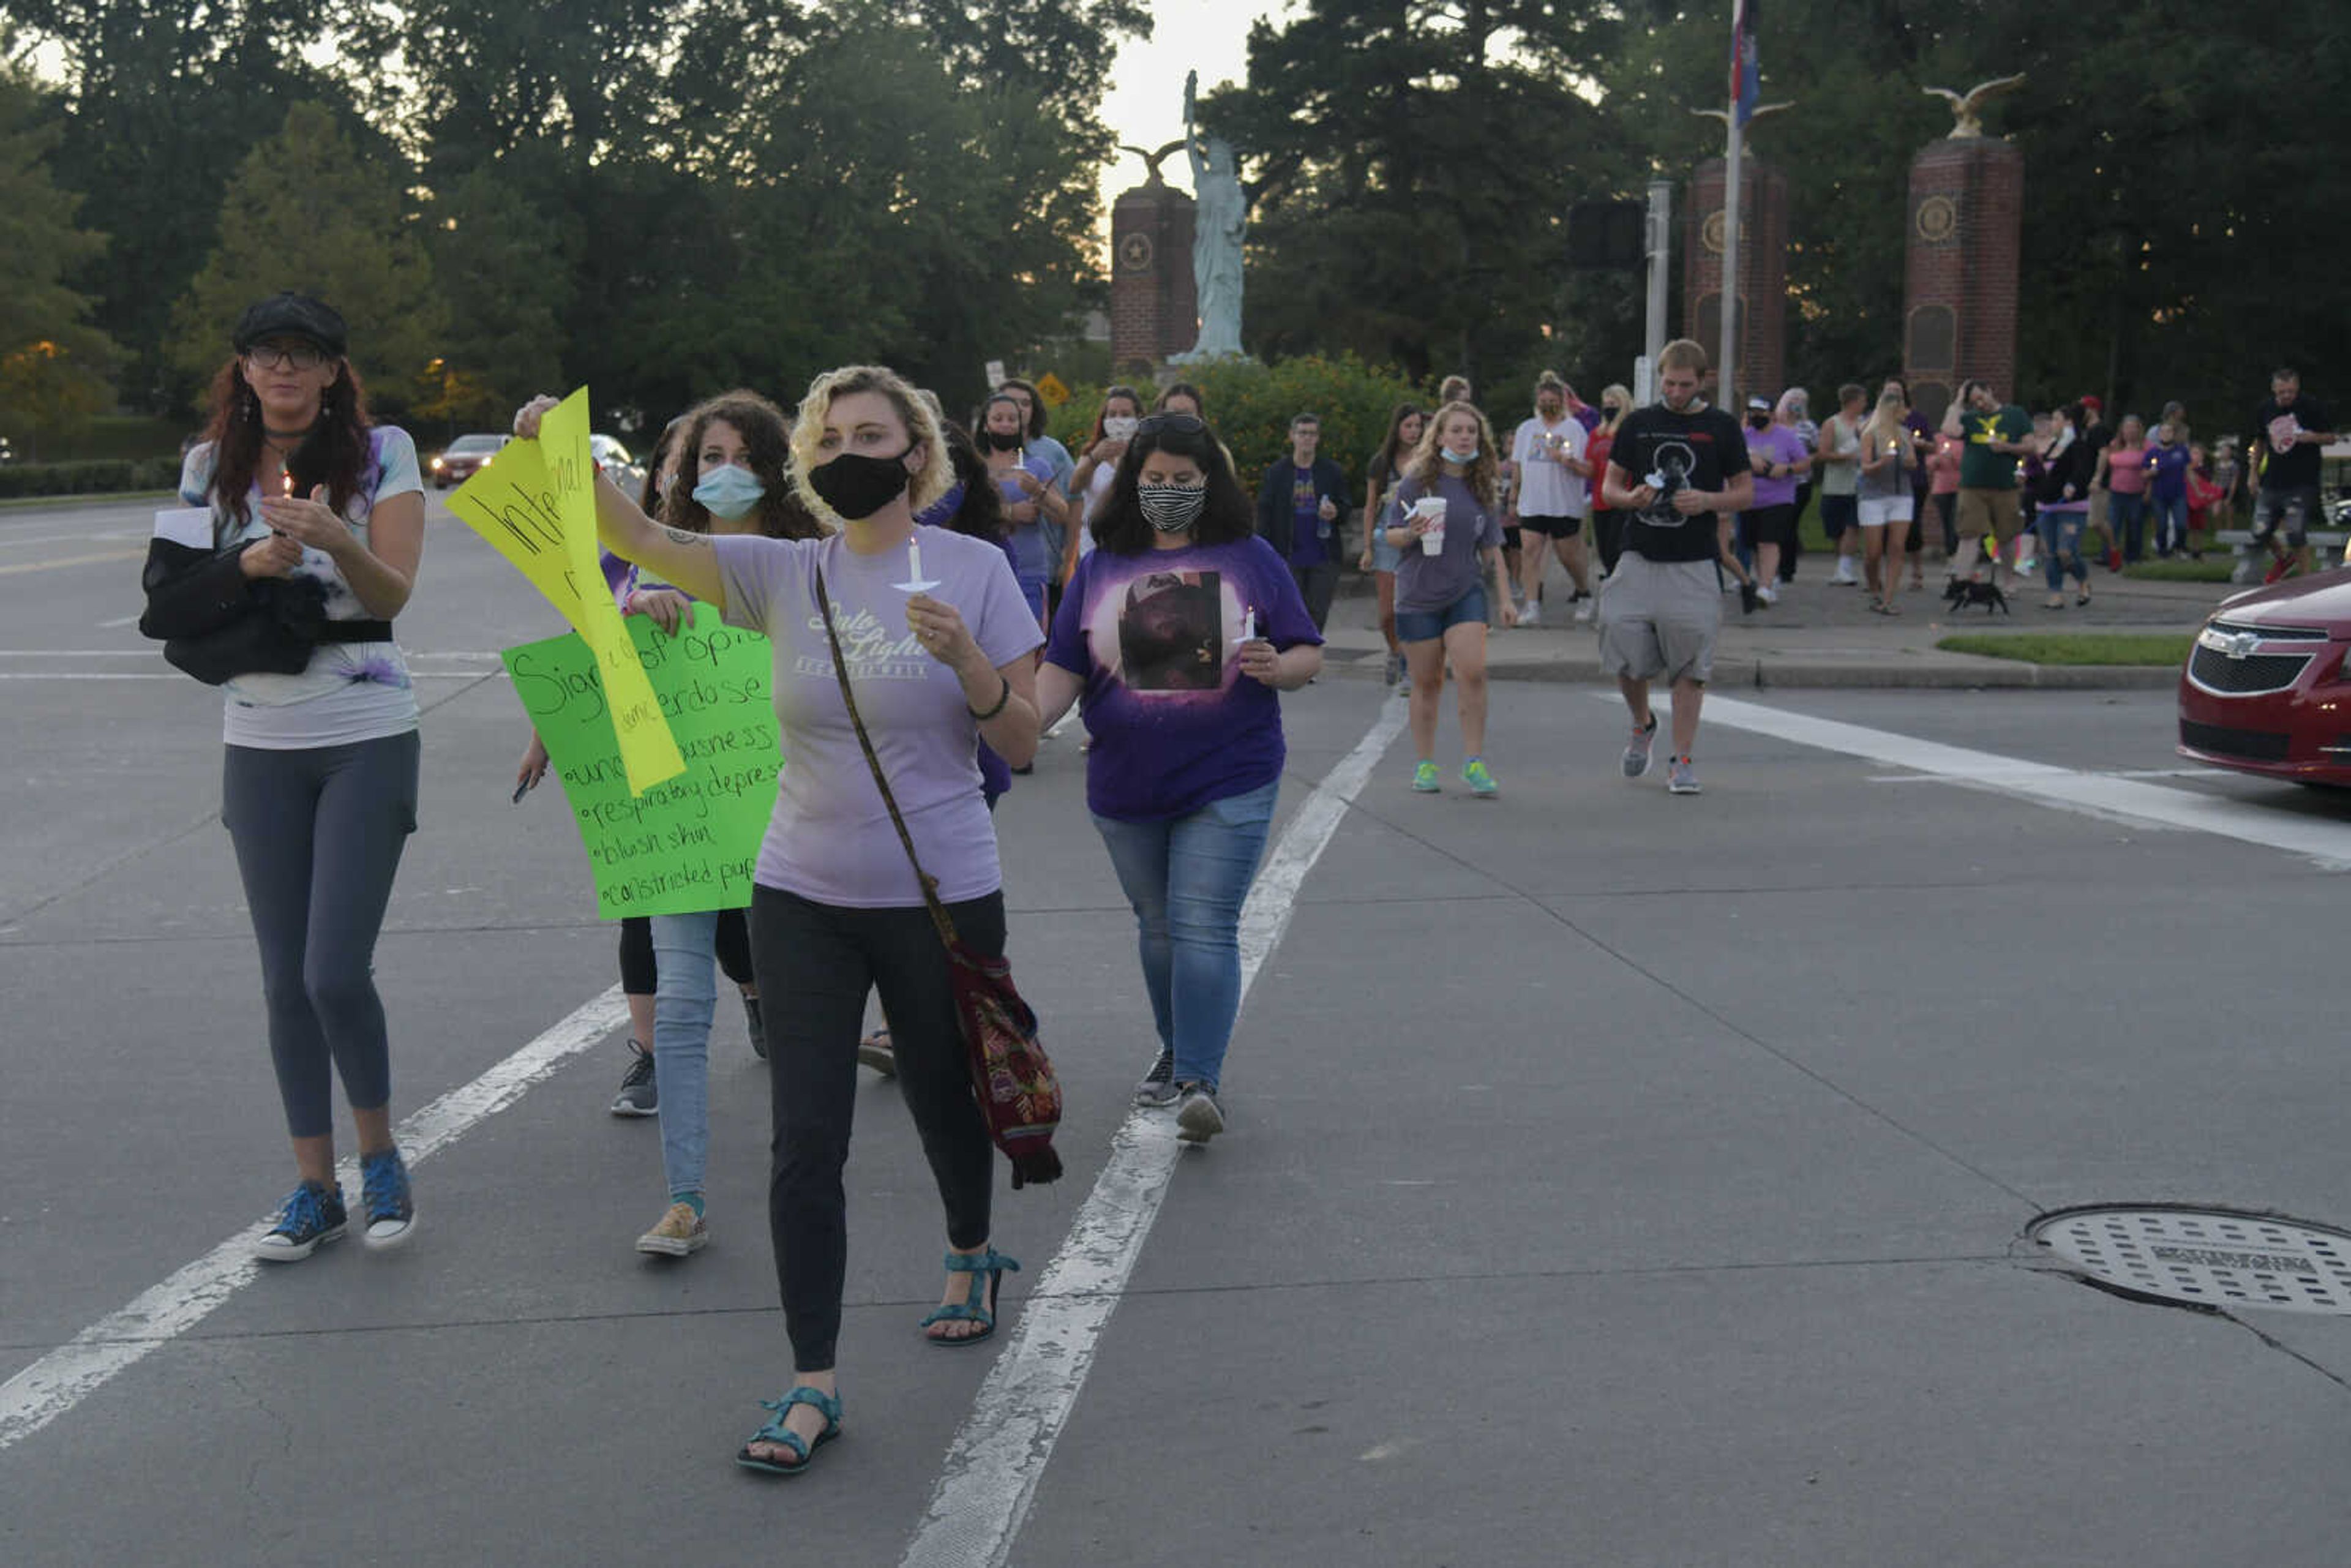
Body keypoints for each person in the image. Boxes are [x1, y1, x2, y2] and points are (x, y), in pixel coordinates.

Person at [522, 363, 1043, 1476]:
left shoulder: (978, 570)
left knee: (949, 1094)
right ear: (806, 462)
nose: (848, 450)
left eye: (873, 432)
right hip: (799, 893)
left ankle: (970, 1246)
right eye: (829, 435)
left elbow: (1023, 743)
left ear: (917, 453)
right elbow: (639, 535)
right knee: (807, 1140)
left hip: (941, 894)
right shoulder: (780, 572)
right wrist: (561, 448)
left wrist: (966, 665)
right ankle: (814, 1382)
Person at [155, 292, 425, 1259]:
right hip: (257, 741)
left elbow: (395, 589)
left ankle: (382, 1159)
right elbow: (175, 604)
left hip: (366, 731)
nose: (283, 370)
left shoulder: (382, 452)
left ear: (332, 373)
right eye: (267, 354)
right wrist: (251, 563)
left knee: (332, 971)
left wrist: (333, 536)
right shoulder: (206, 469)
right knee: (283, 983)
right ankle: (314, 1186)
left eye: (304, 355)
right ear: (243, 369)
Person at [1037, 413, 1321, 1141]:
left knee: (1202, 922)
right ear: (1133, 481)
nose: (1167, 491)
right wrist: (1018, 720)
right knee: (1158, 926)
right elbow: (1063, 667)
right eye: (1154, 479)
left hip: (1232, 771)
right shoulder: (1101, 564)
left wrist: (1277, 667)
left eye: (1183, 481)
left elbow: (1305, 653)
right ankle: (1175, 1050)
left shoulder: (1250, 556)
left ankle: (1200, 1076)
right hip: (1127, 782)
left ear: (1209, 482)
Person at [618, 391, 822, 1258]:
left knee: (807, 1000)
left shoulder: (808, 564)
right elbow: (608, 691)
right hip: (683, 821)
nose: (723, 470)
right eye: (708, 456)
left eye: (741, 454)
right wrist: (632, 621)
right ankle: (685, 1199)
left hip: (796, 817)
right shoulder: (645, 566)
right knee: (680, 1010)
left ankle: (810, 1180)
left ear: (775, 468)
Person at [1597, 338, 1753, 797]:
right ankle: (1643, 722)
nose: (1677, 392)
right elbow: (1610, 488)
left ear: (1702, 381)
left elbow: (1744, 492)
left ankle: (1681, 760)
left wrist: (1707, 500)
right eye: (1669, 383)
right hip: (1639, 553)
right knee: (1621, 644)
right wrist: (1630, 499)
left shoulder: (1721, 427)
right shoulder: (1640, 424)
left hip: (1694, 560)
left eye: (1685, 385)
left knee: (1690, 665)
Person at [1388, 400, 1518, 795]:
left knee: (1473, 671)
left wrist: (1507, 598)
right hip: (1418, 593)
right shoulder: (1417, 482)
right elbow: (1391, 535)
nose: (1464, 437)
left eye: (1471, 431)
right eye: (1457, 430)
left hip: (1466, 590)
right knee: (1427, 682)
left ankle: (1474, 762)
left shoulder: (1481, 485)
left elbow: (1493, 546)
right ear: (1440, 436)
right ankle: (1426, 764)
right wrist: (1411, 532)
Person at [1507, 370, 1595, 626]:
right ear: (1537, 401)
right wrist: (1513, 498)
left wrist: (1567, 461)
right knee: (1530, 552)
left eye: (1552, 400)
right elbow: (1517, 467)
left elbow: (1588, 469)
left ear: (1562, 401)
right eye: (1543, 400)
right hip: (1533, 503)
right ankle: (1532, 605)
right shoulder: (1526, 429)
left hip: (1563, 503)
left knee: (1569, 556)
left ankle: (1584, 593)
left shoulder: (1574, 429)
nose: (1547, 405)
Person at [978, 391, 1072, 629]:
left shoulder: (1036, 466)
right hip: (984, 571)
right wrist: (1009, 512)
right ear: (986, 425)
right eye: (998, 419)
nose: (1006, 425)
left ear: (1021, 425)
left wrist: (1039, 491)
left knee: (1030, 647)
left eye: (1012, 419)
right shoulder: (976, 466)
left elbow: (1064, 515)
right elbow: (965, 513)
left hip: (1029, 571)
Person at [1254, 411, 1351, 630]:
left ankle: (1308, 661)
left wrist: (1335, 511)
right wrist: (1262, 556)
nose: (1307, 438)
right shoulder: (1277, 473)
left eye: (1312, 434)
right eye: (1303, 433)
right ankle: (1295, 660)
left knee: (1317, 614)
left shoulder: (1331, 472)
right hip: (1287, 555)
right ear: (1292, 436)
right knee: (1291, 613)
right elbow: (1265, 515)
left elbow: (1346, 507)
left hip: (1324, 555)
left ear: (1318, 438)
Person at [1358, 402, 1427, 688]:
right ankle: (1395, 650)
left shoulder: (1427, 461)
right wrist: (1367, 547)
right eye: (1408, 426)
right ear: (1397, 428)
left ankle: (1410, 660)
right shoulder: (1381, 463)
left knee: (1411, 605)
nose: (1413, 432)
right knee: (1387, 612)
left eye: (1417, 427)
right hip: (1385, 539)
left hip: (1415, 539)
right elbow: (1371, 506)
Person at [2248, 369, 2336, 583]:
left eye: (2291, 391)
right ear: (2274, 389)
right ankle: (2284, 558)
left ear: (2297, 388)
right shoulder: (2266, 409)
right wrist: (2253, 473)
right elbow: (2260, 442)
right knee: (2260, 530)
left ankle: (2306, 580)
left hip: (2302, 481)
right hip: (2272, 480)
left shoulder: (2310, 406)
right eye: (2282, 392)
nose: (2287, 396)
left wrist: (2313, 437)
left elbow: (2331, 438)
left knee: (2295, 531)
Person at [1951, 378, 2036, 587]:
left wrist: (2006, 447)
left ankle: (2009, 581)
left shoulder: (2015, 415)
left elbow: (2031, 446)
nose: (1980, 404)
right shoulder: (1970, 418)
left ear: (1990, 391)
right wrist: (1958, 402)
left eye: (1981, 398)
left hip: (2005, 486)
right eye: (1974, 402)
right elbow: (1949, 430)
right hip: (1972, 487)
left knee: (2006, 536)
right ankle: (1961, 583)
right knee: (1969, 534)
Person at [1061, 385, 1146, 580]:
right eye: (1112, 414)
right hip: (1095, 547)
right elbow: (1074, 487)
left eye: (1125, 415)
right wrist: (1094, 458)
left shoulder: (1147, 453)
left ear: (1139, 417)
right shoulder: (1092, 452)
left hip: (1135, 547)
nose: (1118, 420)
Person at [1740, 394, 1809, 604]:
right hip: (1750, 497)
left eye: (1761, 413)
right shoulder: (1744, 435)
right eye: (1752, 412)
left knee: (1768, 541)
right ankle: (1764, 579)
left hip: (1778, 498)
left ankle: (1765, 586)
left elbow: (1804, 463)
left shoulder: (1786, 436)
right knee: (1753, 542)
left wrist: (1786, 468)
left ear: (1771, 414)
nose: (1756, 416)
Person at [1855, 388, 1916, 613]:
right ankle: (1874, 589)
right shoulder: (1870, 434)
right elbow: (1865, 468)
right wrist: (1882, 462)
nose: (1907, 413)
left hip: (1901, 494)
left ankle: (1888, 599)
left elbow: (1912, 463)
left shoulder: (1905, 434)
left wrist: (1910, 459)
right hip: (1873, 496)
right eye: (1903, 408)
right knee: (1873, 551)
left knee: (1897, 547)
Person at [2033, 401, 2096, 609]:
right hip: (2047, 506)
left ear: (2069, 422)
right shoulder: (2053, 446)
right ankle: (2055, 593)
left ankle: (2082, 579)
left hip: (2072, 507)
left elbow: (2083, 470)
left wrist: (2073, 484)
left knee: (2066, 551)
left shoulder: (2079, 445)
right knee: (2050, 553)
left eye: (2057, 419)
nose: (2053, 423)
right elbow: (2046, 473)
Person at [1814, 384, 1866, 586]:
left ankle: (1846, 567)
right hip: (1835, 484)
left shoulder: (1865, 424)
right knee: (1835, 528)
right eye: (1862, 401)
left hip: (1859, 484)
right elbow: (1822, 453)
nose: (1865, 404)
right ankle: (1841, 565)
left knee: (1852, 526)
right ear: (1852, 402)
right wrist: (1844, 456)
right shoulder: (1832, 424)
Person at [1586, 386, 1631, 580]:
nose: (1609, 408)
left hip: (1624, 497)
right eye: (1606, 404)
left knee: (1616, 546)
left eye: (1613, 404)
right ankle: (1612, 576)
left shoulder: (1629, 430)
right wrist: (1568, 462)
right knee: (1604, 548)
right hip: (1600, 497)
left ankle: (1617, 581)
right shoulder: (1597, 434)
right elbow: (1591, 469)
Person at [2096, 415, 2151, 566]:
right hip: (2116, 491)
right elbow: (2105, 462)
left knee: (2135, 524)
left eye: (2133, 427)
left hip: (2137, 492)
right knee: (2113, 524)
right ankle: (2108, 554)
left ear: (2139, 430)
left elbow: (2153, 469)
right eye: (2127, 428)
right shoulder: (2115, 445)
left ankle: (2133, 555)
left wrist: (2149, 490)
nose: (2130, 431)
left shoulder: (2147, 447)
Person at [1775, 388, 1818, 583]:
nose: (1796, 404)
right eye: (1793, 400)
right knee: (1780, 524)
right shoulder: (1775, 426)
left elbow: (1818, 449)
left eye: (1801, 401)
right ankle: (1776, 565)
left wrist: (1807, 460)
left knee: (1790, 523)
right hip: (1777, 481)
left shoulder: (1808, 427)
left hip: (1800, 482)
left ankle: (1787, 569)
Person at [2147, 416, 2194, 558]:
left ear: (2173, 434)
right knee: (2162, 525)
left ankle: (2179, 547)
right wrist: (2151, 472)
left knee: (2181, 524)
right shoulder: (2153, 453)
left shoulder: (2181, 451)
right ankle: (2162, 550)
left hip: (2178, 493)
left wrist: (2197, 490)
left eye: (2169, 432)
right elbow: (2144, 472)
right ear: (2159, 434)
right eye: (2163, 432)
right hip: (2159, 494)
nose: (2166, 435)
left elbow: (2189, 471)